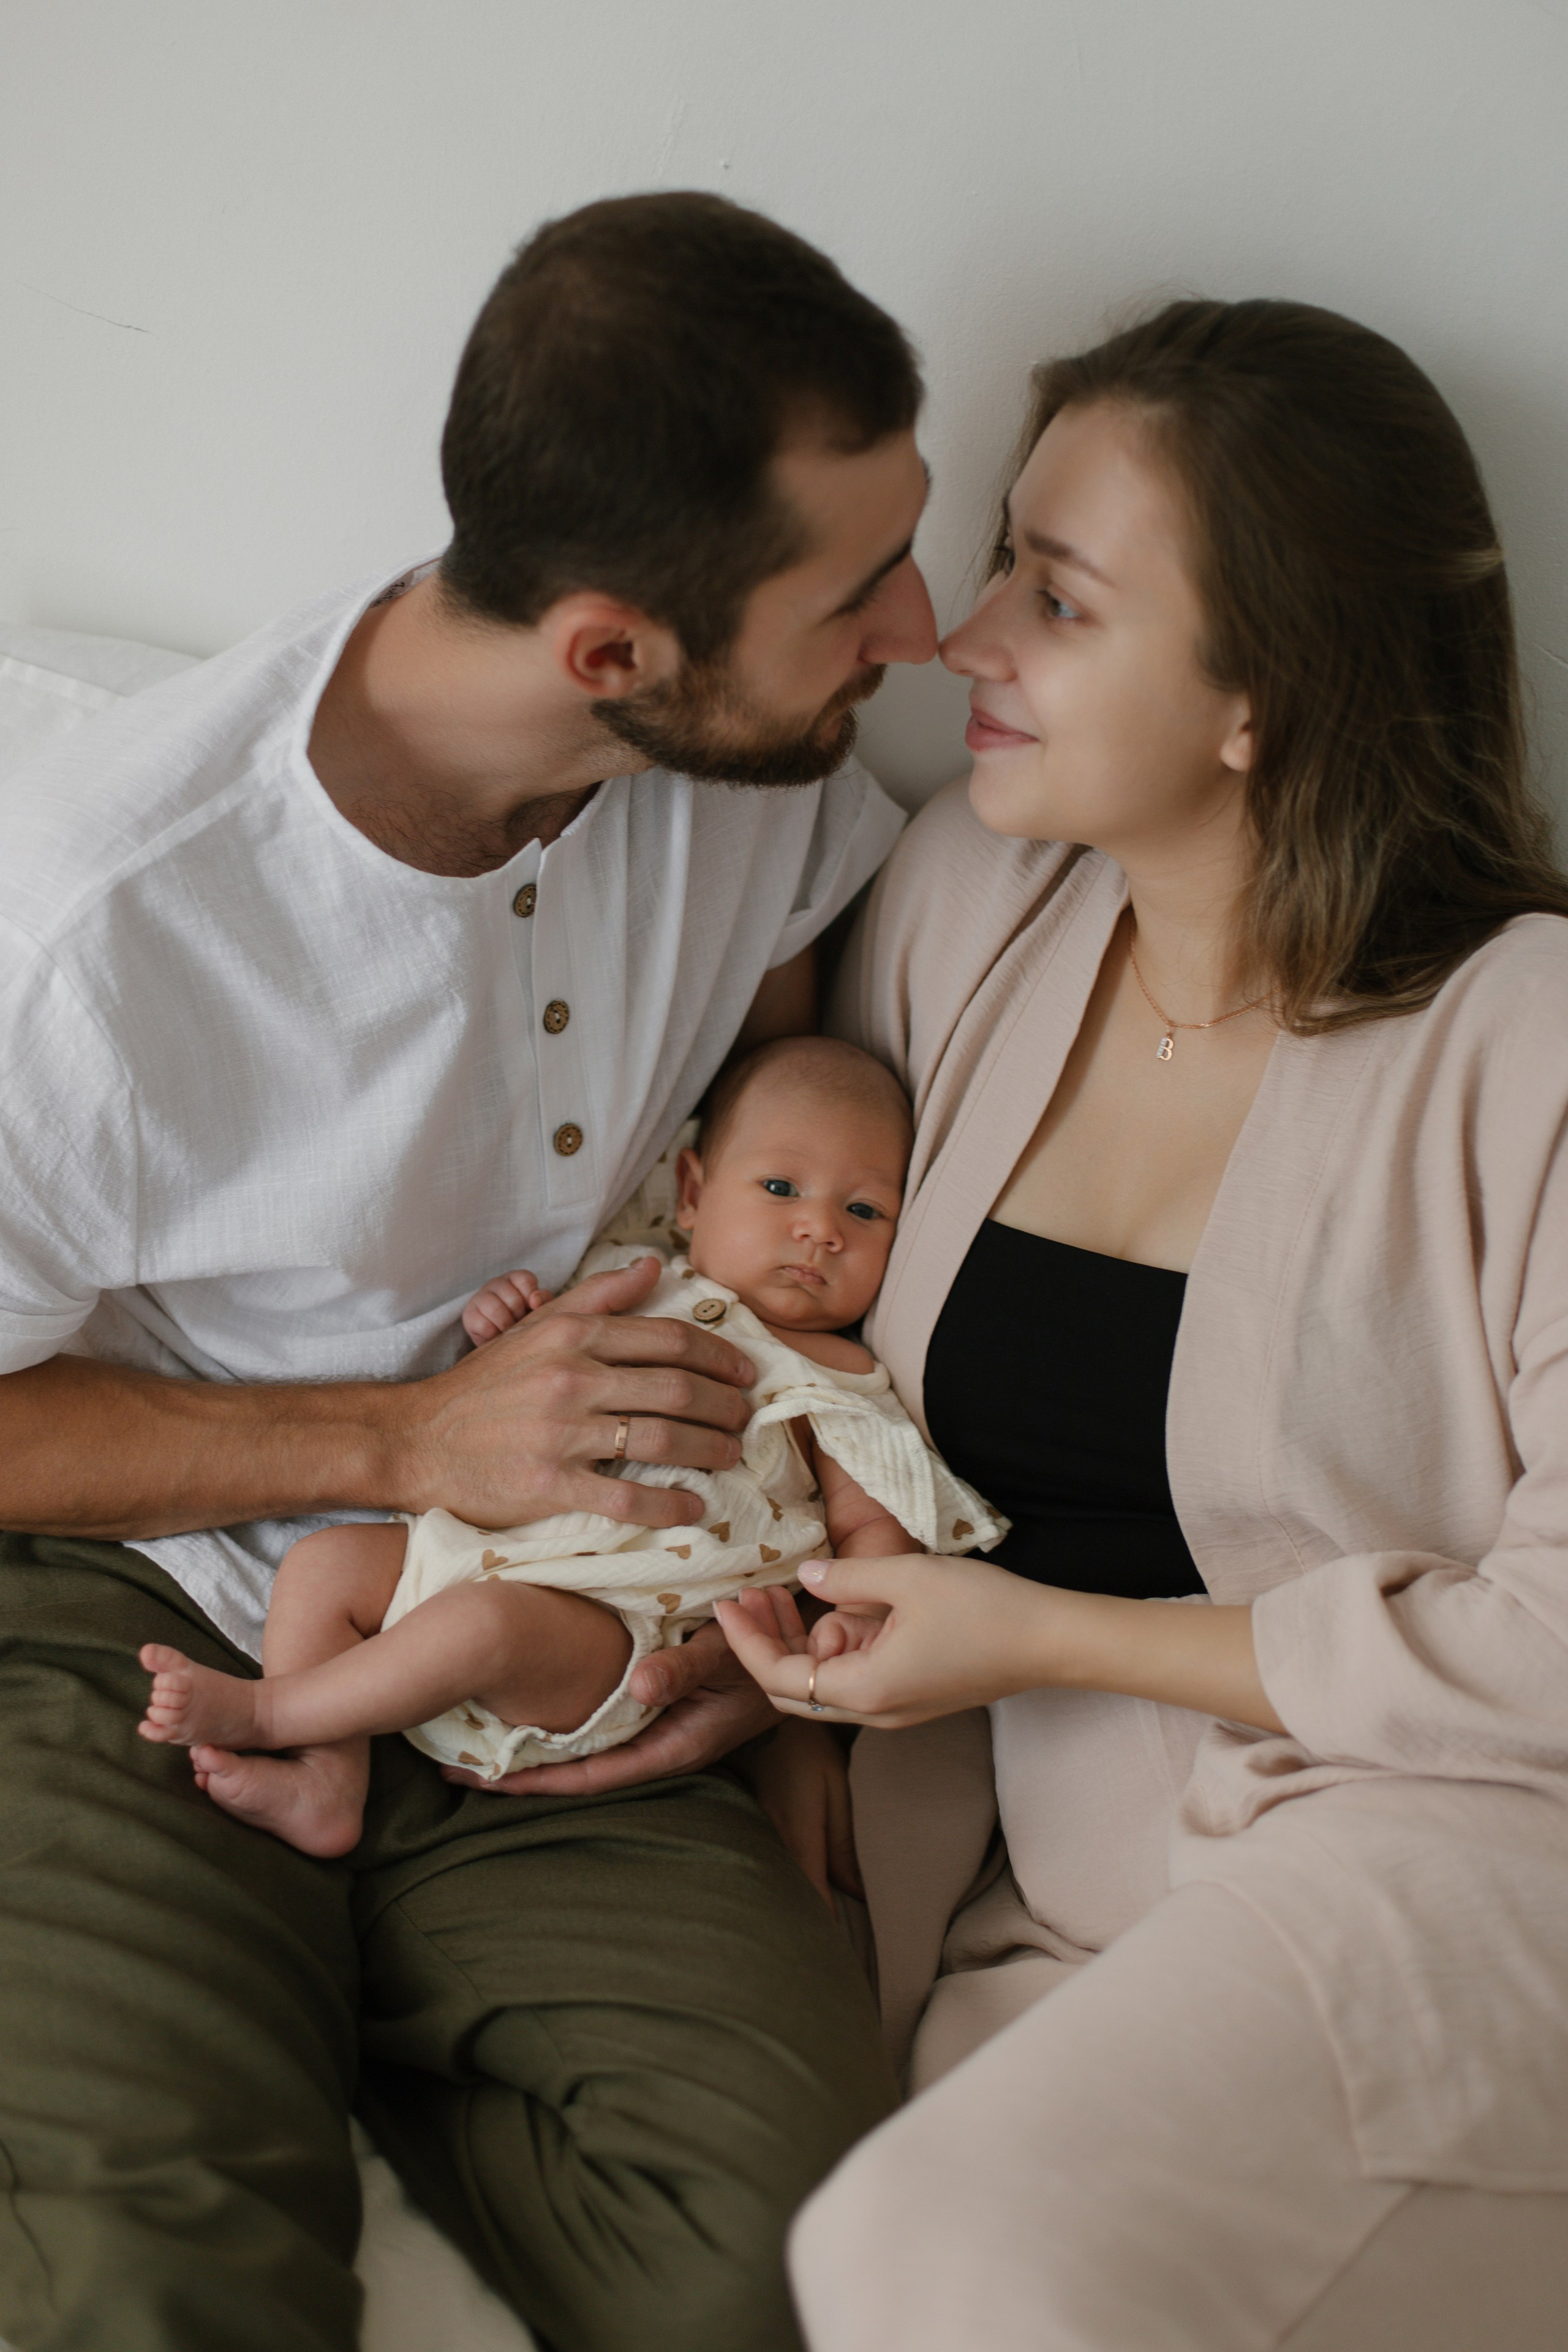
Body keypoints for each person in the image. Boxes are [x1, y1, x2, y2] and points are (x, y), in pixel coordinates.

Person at [0, 192, 940, 2352]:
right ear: (612, 647)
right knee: (155, 2278)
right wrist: (412, 1435)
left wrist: (753, 1639)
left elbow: (752, 1180)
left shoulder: (751, 778)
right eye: (852, 594)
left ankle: (354, 1994)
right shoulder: (96, 933)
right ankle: (221, 1984)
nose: (920, 628)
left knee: (779, 2273)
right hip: (147, 1600)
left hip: (570, 1623)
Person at [723, 299, 1568, 2349]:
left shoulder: (1527, 1040)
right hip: (1043, 1897)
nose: (964, 636)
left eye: (1060, 595)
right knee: (852, 2263)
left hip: (1453, 1861)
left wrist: (1042, 1644)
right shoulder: (964, 908)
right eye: (1005, 557)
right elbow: (795, 1353)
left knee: (935, 2262)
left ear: (1260, 694)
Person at [134, 1038, 1000, 1863]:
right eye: (780, 1187)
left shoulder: (836, 1375)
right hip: (477, 1552)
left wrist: (853, 1617)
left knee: (483, 1626)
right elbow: (514, 1398)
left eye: (862, 1210)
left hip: (614, 1636)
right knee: (324, 1564)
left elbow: (869, 1526)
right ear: (691, 1192)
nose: (819, 1230)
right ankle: (327, 1777)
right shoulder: (631, 1275)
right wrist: (506, 1328)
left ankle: (272, 1712)